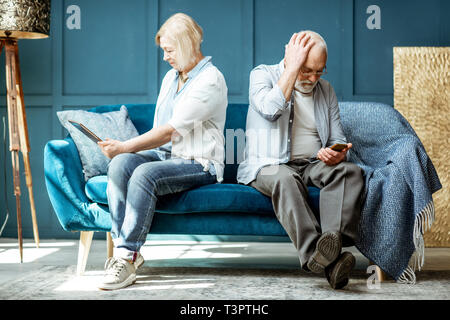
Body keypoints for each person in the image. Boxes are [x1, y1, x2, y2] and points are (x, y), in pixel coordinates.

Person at [97, 13, 228, 290]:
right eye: (164, 51)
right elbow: (161, 133)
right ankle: (123, 251)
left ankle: (127, 255)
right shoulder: (171, 77)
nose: (165, 57)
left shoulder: (211, 80)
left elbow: (170, 130)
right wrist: (122, 153)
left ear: (186, 45)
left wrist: (124, 145)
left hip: (198, 163)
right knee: (120, 164)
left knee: (144, 174)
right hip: (165, 157)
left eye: (169, 50)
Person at [237, 31, 364, 289]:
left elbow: (337, 139)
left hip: (312, 164)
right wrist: (292, 68)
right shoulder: (261, 75)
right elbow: (271, 110)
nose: (313, 78)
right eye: (307, 70)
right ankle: (319, 257)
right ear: (290, 55)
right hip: (268, 165)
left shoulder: (325, 90)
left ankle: (331, 242)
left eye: (319, 71)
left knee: (350, 172)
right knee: (285, 178)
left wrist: (336, 152)